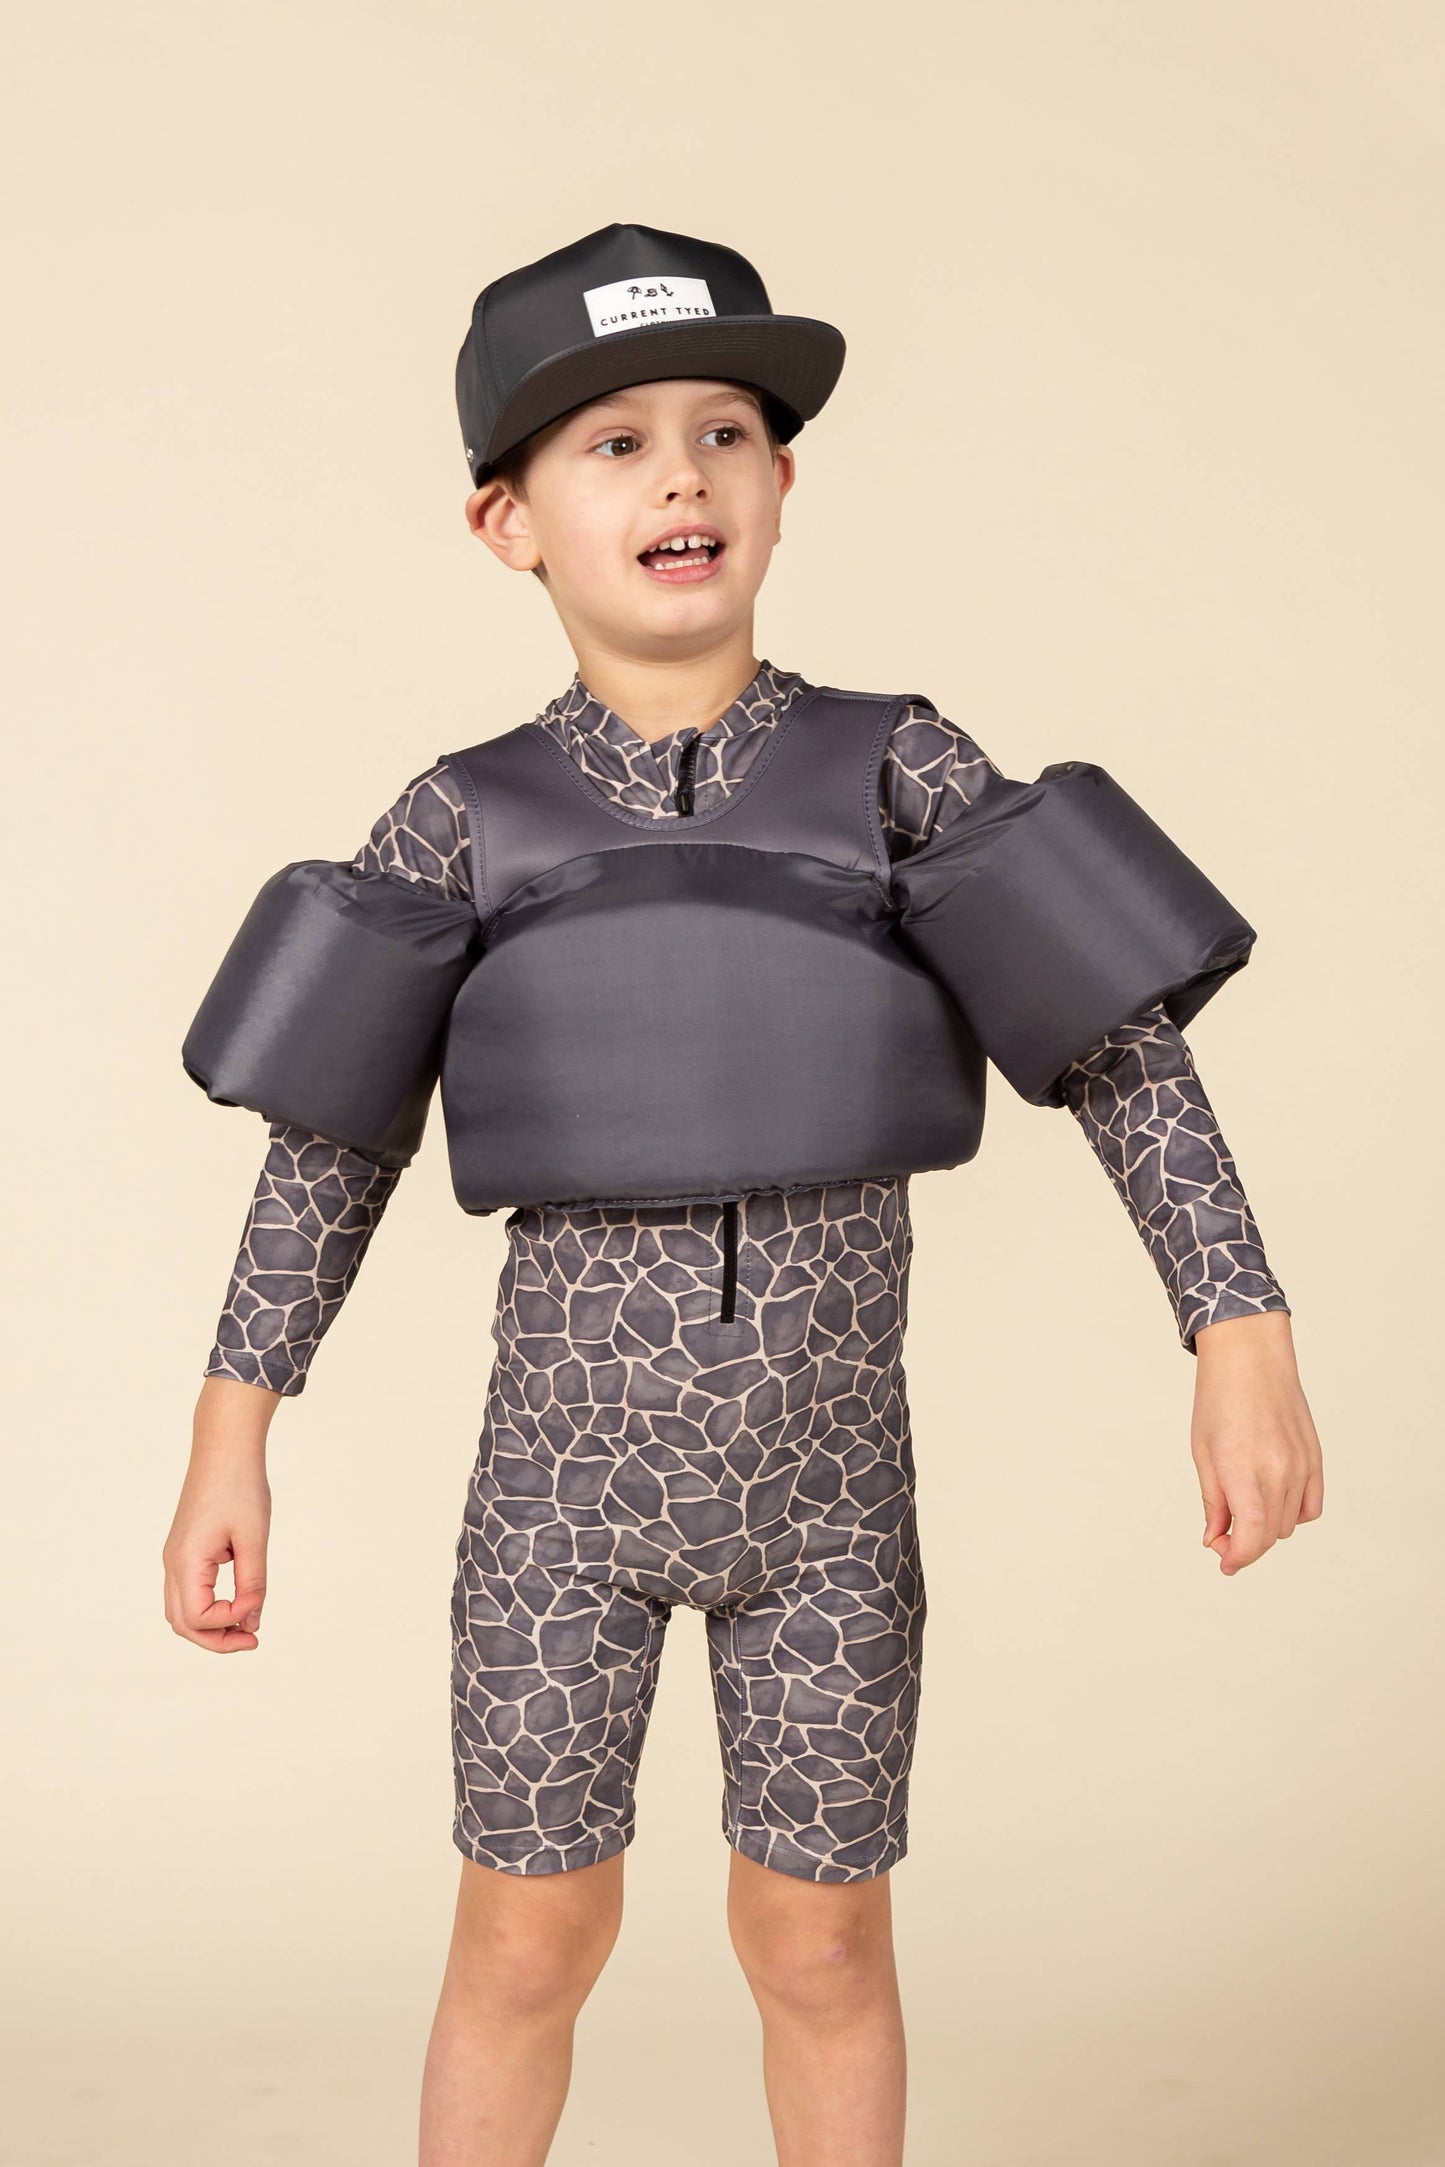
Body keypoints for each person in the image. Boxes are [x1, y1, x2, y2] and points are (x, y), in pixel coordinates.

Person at [163, 221, 1323, 2167]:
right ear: (507, 522)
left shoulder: (895, 768)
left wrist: (1241, 1332)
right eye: (612, 444)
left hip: (830, 1501)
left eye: (722, 433)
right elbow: (329, 1143)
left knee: (823, 1942)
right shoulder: (464, 817)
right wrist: (232, 1431)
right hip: (558, 1508)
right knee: (526, 1941)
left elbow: (1118, 1047)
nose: (680, 477)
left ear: (783, 481)